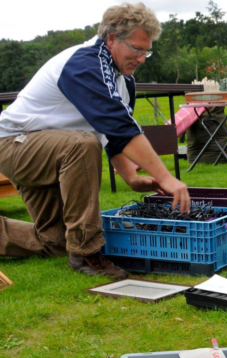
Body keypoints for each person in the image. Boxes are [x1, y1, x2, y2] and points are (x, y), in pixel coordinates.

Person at [0, 2, 190, 279]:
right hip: (14, 145)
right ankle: (87, 253)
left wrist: (131, 177)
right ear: (111, 38)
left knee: (54, 242)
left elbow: (113, 136)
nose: (142, 58)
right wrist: (167, 178)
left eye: (147, 50)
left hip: (48, 152)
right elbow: (117, 125)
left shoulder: (124, 82)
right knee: (81, 144)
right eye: (136, 49)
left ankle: (72, 246)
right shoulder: (84, 64)